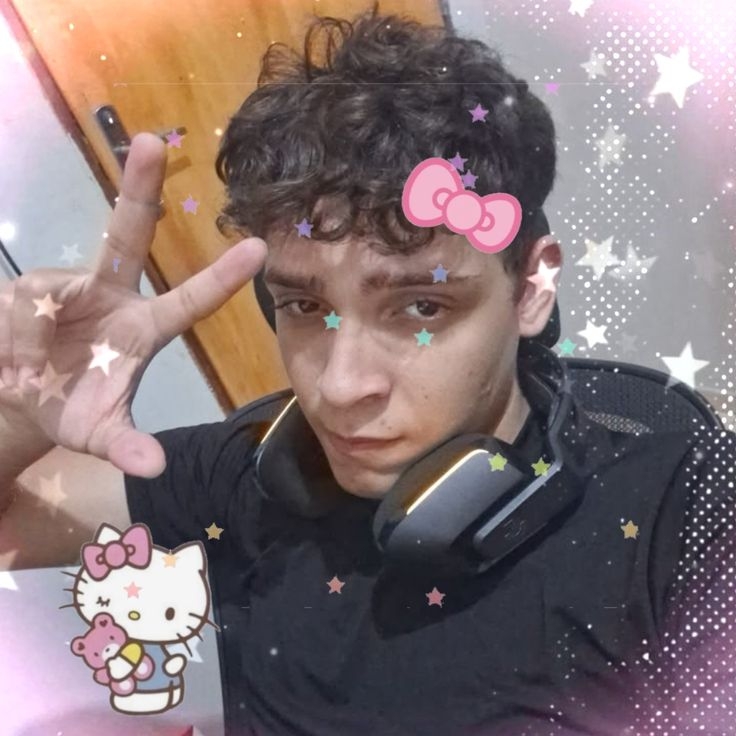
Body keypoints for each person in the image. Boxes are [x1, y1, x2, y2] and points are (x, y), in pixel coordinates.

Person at [1, 6, 734, 735]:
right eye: (304, 305)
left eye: (421, 307)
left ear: (531, 288)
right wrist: (17, 415)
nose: (339, 388)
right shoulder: (249, 473)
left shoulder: (683, 514)